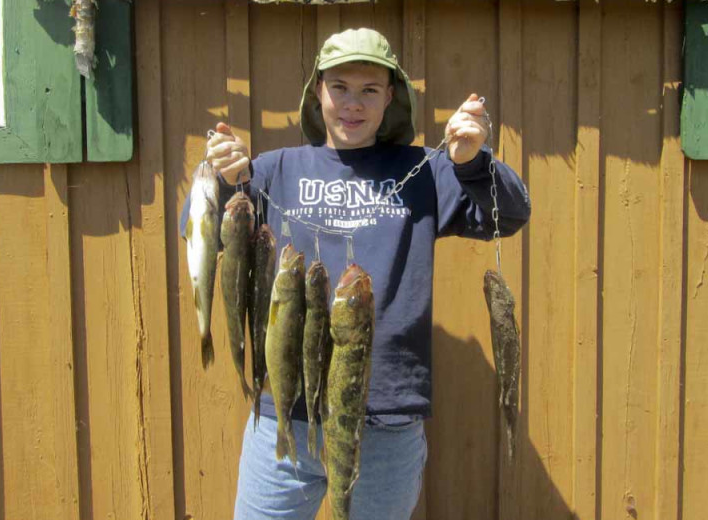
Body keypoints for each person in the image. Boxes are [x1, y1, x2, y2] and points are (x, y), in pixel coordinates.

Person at [184, 27, 531, 520]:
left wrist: (472, 162)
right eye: (340, 88)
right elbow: (195, 231)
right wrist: (218, 177)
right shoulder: (274, 170)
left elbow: (510, 213)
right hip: (287, 411)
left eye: (369, 90)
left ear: (391, 97)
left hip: (387, 420)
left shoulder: (426, 171)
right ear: (318, 92)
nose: (353, 104)